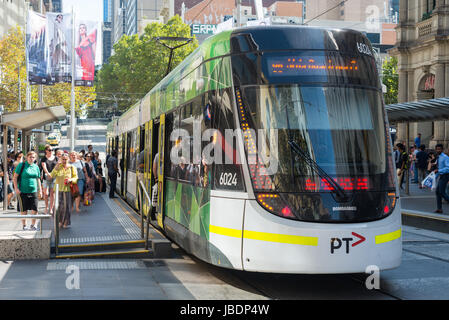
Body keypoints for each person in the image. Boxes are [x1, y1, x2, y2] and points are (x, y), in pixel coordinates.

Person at [13, 151, 42, 231]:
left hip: (34, 190)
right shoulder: (21, 165)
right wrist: (16, 188)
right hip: (23, 191)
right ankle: (24, 225)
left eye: (33, 157)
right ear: (26, 157)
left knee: (35, 208)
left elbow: (38, 179)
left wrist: (40, 190)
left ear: (35, 158)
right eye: (30, 157)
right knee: (24, 209)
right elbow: (15, 177)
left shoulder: (36, 167)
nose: (31, 159)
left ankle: (33, 225)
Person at [50, 152, 77, 228]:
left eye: (65, 159)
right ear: (60, 160)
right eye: (63, 159)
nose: (64, 161)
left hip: (67, 190)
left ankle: (66, 222)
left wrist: (70, 180)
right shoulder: (58, 167)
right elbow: (52, 175)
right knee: (59, 207)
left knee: (67, 207)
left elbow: (75, 178)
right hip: (58, 189)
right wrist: (56, 167)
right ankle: (59, 222)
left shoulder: (71, 167)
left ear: (68, 159)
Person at [40, 145, 57, 215]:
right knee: (46, 193)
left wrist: (52, 174)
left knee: (52, 193)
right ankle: (46, 207)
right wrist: (48, 174)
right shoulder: (43, 158)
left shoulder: (55, 158)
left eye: (52, 150)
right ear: (46, 151)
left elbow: (56, 166)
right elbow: (44, 167)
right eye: (49, 150)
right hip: (46, 178)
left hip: (54, 177)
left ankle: (51, 208)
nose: (51, 151)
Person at [434, 144, 449, 214]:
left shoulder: (445, 157)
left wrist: (439, 171)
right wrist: (435, 176)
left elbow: (448, 168)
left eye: (439, 149)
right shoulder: (438, 157)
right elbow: (438, 169)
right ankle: (439, 208)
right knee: (438, 192)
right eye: (437, 149)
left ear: (442, 149)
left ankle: (440, 208)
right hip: (441, 175)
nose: (438, 150)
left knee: (441, 192)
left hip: (445, 175)